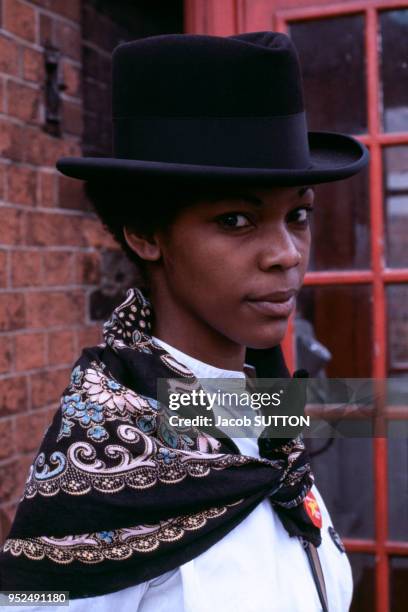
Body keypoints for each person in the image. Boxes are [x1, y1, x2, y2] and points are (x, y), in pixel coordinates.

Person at [0, 31, 369, 611]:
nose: (288, 253)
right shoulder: (99, 472)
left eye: (298, 214)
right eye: (235, 220)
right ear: (145, 234)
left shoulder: (261, 415)